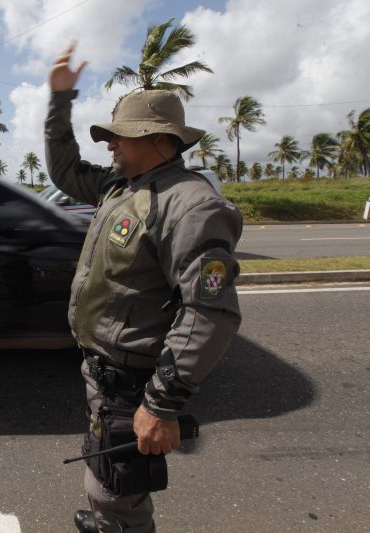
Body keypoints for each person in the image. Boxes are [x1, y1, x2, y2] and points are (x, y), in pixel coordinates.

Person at [44, 43, 243, 533]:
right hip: (103, 370)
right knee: (104, 467)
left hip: (135, 381)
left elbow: (209, 312)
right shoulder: (120, 187)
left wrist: (160, 403)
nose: (109, 144)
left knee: (122, 491)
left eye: (119, 136)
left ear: (159, 138)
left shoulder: (190, 205)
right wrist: (59, 102)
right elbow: (64, 170)